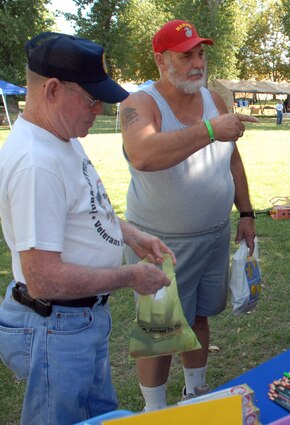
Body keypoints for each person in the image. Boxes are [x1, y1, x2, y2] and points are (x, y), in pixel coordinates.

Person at [0, 32, 174, 425]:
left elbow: (87, 208)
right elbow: (42, 279)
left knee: (101, 417)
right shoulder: (36, 162)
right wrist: (130, 275)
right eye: (91, 99)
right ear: (52, 90)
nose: (98, 110)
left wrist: (132, 235)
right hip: (55, 326)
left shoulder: (59, 136)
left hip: (77, 322)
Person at [119, 19, 258, 411]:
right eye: (186, 56)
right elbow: (144, 155)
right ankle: (155, 409)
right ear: (162, 61)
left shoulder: (214, 99)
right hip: (161, 243)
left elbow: (232, 159)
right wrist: (211, 130)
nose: (198, 63)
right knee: (160, 331)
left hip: (213, 234)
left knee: (198, 319)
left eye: (201, 53)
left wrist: (245, 213)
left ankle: (195, 394)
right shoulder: (139, 104)